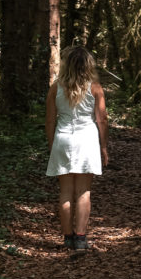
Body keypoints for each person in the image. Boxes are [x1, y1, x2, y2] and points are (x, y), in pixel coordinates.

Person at [45, 46, 109, 252]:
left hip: (62, 139)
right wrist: (104, 146)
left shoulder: (56, 87)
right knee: (83, 191)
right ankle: (81, 238)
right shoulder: (95, 88)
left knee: (65, 191)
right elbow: (102, 120)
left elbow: (49, 121)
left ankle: (68, 237)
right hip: (87, 139)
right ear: (88, 65)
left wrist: (51, 145)